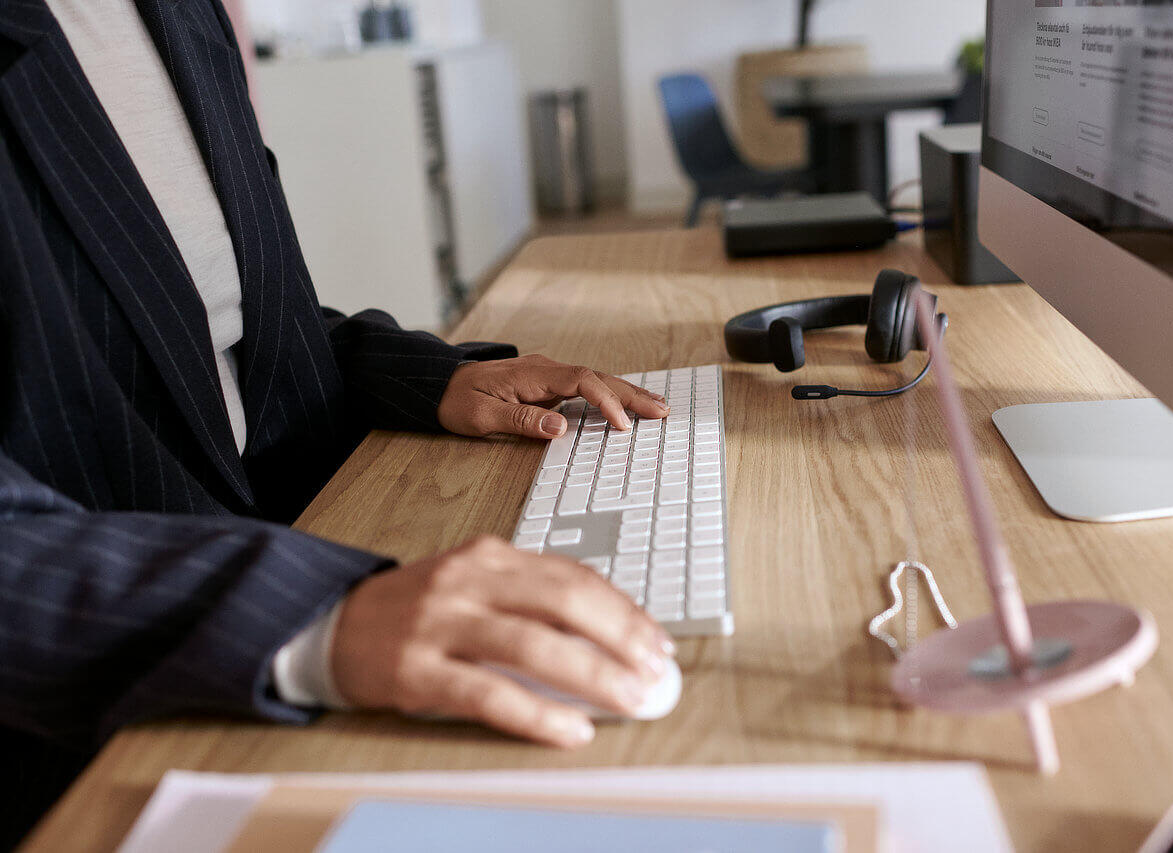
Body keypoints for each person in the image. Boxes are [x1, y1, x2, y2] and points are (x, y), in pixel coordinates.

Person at [0, 0, 673, 843]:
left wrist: (434, 375)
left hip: (310, 549)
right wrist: (310, 618)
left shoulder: (180, 13)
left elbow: (225, 314)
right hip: (89, 736)